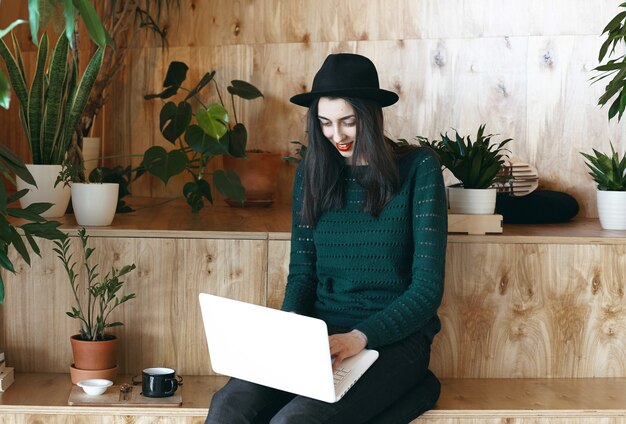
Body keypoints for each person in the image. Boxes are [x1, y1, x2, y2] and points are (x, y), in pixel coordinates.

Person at [206, 53, 448, 424]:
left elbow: (427, 289)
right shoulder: (311, 173)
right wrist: (288, 336)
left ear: (370, 115)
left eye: (348, 122)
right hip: (319, 338)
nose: (337, 136)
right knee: (228, 405)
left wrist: (359, 337)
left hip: (395, 340)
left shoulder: (418, 168)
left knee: (295, 421)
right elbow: (303, 275)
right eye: (325, 123)